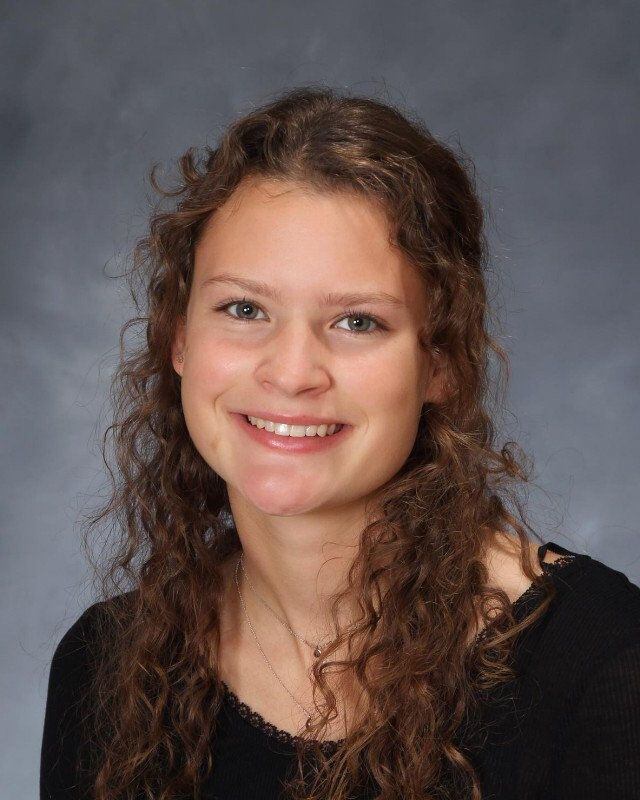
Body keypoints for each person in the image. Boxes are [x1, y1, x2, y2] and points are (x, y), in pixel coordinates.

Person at [40, 86, 640, 800]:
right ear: (179, 339)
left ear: (441, 362)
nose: (292, 373)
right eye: (244, 308)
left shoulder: (603, 664)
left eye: (357, 322)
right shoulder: (105, 668)